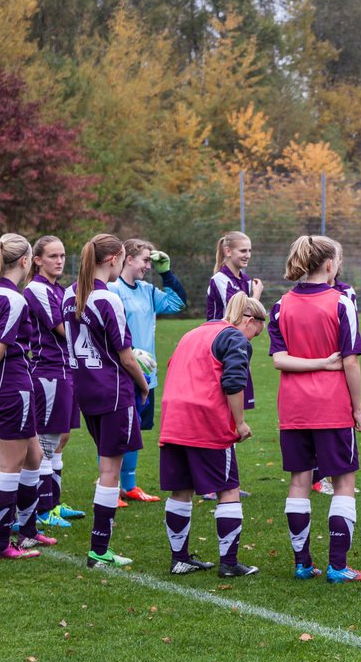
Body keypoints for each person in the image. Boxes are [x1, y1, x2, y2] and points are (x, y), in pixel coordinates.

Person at [268, 234, 361, 583]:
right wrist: (357, 408)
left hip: (293, 408)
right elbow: (351, 363)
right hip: (331, 407)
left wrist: (312, 363)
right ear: (329, 264)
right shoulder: (341, 302)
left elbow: (279, 360)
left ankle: (302, 564)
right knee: (343, 482)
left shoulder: (281, 304)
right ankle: (338, 567)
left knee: (299, 482)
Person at [158, 293, 271, 577]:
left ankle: (179, 558)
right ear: (248, 320)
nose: (252, 340)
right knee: (228, 488)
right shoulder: (234, 337)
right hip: (204, 421)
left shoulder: (193, 333)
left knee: (181, 490)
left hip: (173, 420)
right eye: (256, 332)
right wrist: (240, 422)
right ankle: (230, 564)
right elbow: (234, 380)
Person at [0, 233, 58, 560]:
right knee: (10, 467)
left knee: (34, 457)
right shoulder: (13, 299)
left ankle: (28, 530)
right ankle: (1, 544)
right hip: (10, 386)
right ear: (25, 261)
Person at [63, 234, 150, 569]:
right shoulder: (108, 299)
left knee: (106, 466)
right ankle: (100, 548)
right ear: (114, 258)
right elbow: (126, 357)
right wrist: (142, 385)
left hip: (84, 388)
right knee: (109, 470)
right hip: (113, 391)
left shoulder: (69, 294)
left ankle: (100, 547)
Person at [110, 238, 187, 504]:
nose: (148, 266)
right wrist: (130, 353)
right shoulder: (112, 289)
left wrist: (166, 272)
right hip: (122, 372)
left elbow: (177, 304)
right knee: (117, 431)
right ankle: (108, 486)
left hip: (147, 375)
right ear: (128, 259)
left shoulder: (147, 290)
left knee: (135, 431)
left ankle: (129, 486)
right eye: (145, 260)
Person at [24, 236, 76, 531]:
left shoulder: (58, 289)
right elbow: (61, 328)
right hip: (49, 371)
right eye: (53, 256)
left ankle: (54, 503)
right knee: (46, 441)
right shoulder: (37, 289)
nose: (59, 261)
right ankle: (43, 509)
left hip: (68, 369)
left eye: (62, 255)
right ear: (37, 260)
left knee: (62, 437)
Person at [312, 239, 360, 496]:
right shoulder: (304, 294)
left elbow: (351, 333)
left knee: (337, 425)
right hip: (318, 368)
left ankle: (337, 477)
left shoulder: (346, 293)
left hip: (339, 365)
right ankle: (319, 477)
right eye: (338, 257)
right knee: (322, 424)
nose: (339, 263)